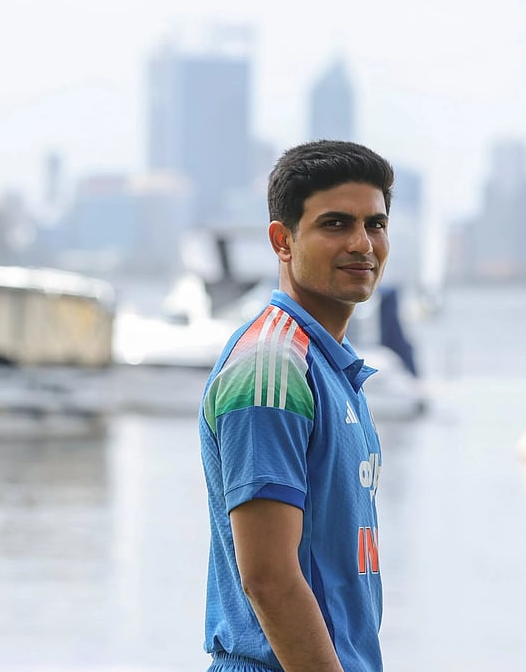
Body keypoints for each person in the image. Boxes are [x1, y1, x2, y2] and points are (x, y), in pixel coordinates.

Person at [200, 140, 393, 671]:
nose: (362, 243)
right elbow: (268, 576)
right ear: (282, 241)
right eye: (335, 224)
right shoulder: (273, 367)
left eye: (375, 224)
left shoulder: (330, 366)